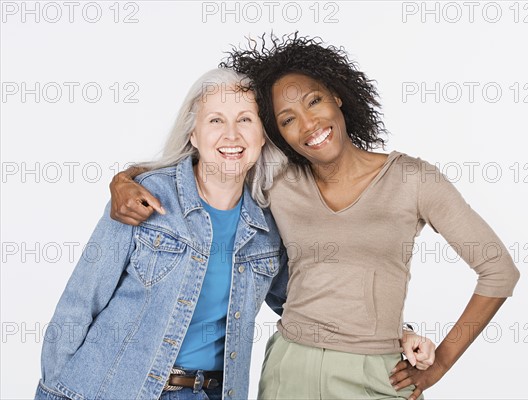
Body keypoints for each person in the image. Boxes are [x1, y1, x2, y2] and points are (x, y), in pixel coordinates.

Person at [109, 34, 516, 400]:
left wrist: (441, 363)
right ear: (278, 133)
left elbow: (499, 271)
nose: (308, 125)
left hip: (377, 374)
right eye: (287, 120)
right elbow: (204, 163)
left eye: (314, 101)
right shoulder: (278, 182)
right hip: (289, 370)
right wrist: (126, 178)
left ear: (337, 96)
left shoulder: (412, 179)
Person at [36, 66, 434, 400]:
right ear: (193, 134)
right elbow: (78, 303)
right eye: (216, 121)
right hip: (109, 388)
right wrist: (55, 389)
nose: (231, 135)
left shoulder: (268, 226)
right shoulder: (144, 197)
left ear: (263, 137)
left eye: (245, 120)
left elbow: (306, 300)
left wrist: (397, 333)